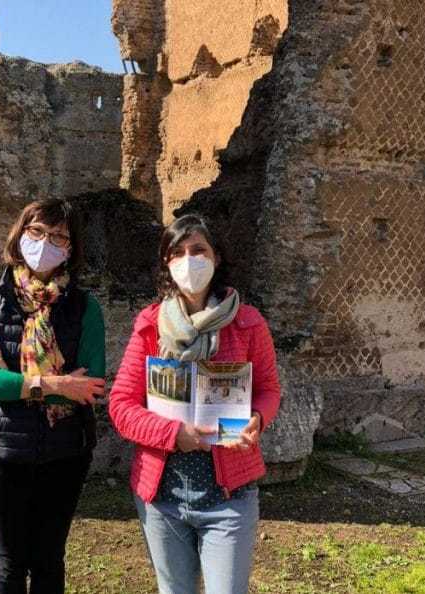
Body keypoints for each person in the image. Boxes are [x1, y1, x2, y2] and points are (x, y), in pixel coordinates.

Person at [109, 214, 282, 594]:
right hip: (162, 497)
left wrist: (257, 418)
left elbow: (269, 389)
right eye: (178, 253)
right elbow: (121, 406)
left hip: (229, 496)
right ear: (167, 264)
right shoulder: (150, 326)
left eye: (198, 250)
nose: (189, 261)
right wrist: (175, 434)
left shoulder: (248, 323)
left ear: (216, 257)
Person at [0, 197, 106, 594]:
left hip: (65, 452)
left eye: (59, 236)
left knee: (48, 560)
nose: (46, 243)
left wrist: (14, 378)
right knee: (9, 562)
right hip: (1, 452)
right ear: (20, 234)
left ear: (71, 249)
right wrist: (56, 384)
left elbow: (90, 386)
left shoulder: (84, 307)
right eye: (37, 232)